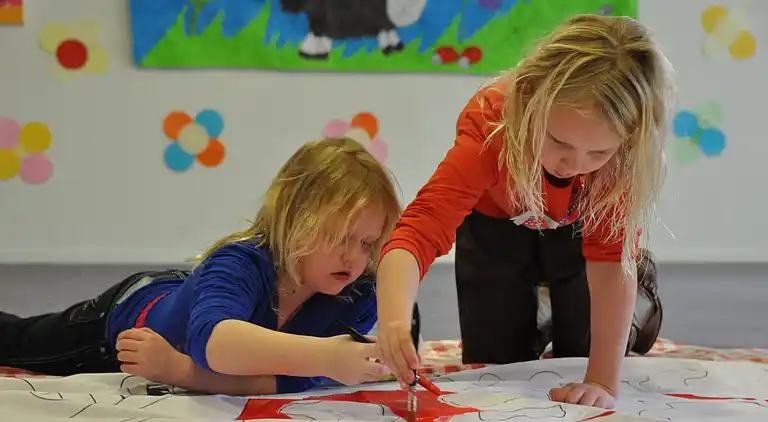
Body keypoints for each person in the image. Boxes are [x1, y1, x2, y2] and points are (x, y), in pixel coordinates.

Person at [375, 14, 673, 409]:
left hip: (578, 230)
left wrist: (603, 380)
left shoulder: (621, 161)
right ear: (530, 97)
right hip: (496, 227)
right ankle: (543, 312)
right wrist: (394, 317)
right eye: (558, 141)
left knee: (583, 350)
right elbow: (418, 230)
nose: (574, 163)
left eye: (598, 152)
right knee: (497, 362)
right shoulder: (490, 123)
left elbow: (607, 262)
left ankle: (641, 297)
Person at [0, 137, 402, 396]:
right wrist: (329, 357)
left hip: (186, 301)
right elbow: (218, 345)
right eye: (339, 238)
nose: (354, 258)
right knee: (18, 341)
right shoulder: (243, 261)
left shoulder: (358, 293)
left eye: (366, 243)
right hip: (126, 314)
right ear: (293, 221)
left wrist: (183, 372)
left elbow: (286, 380)